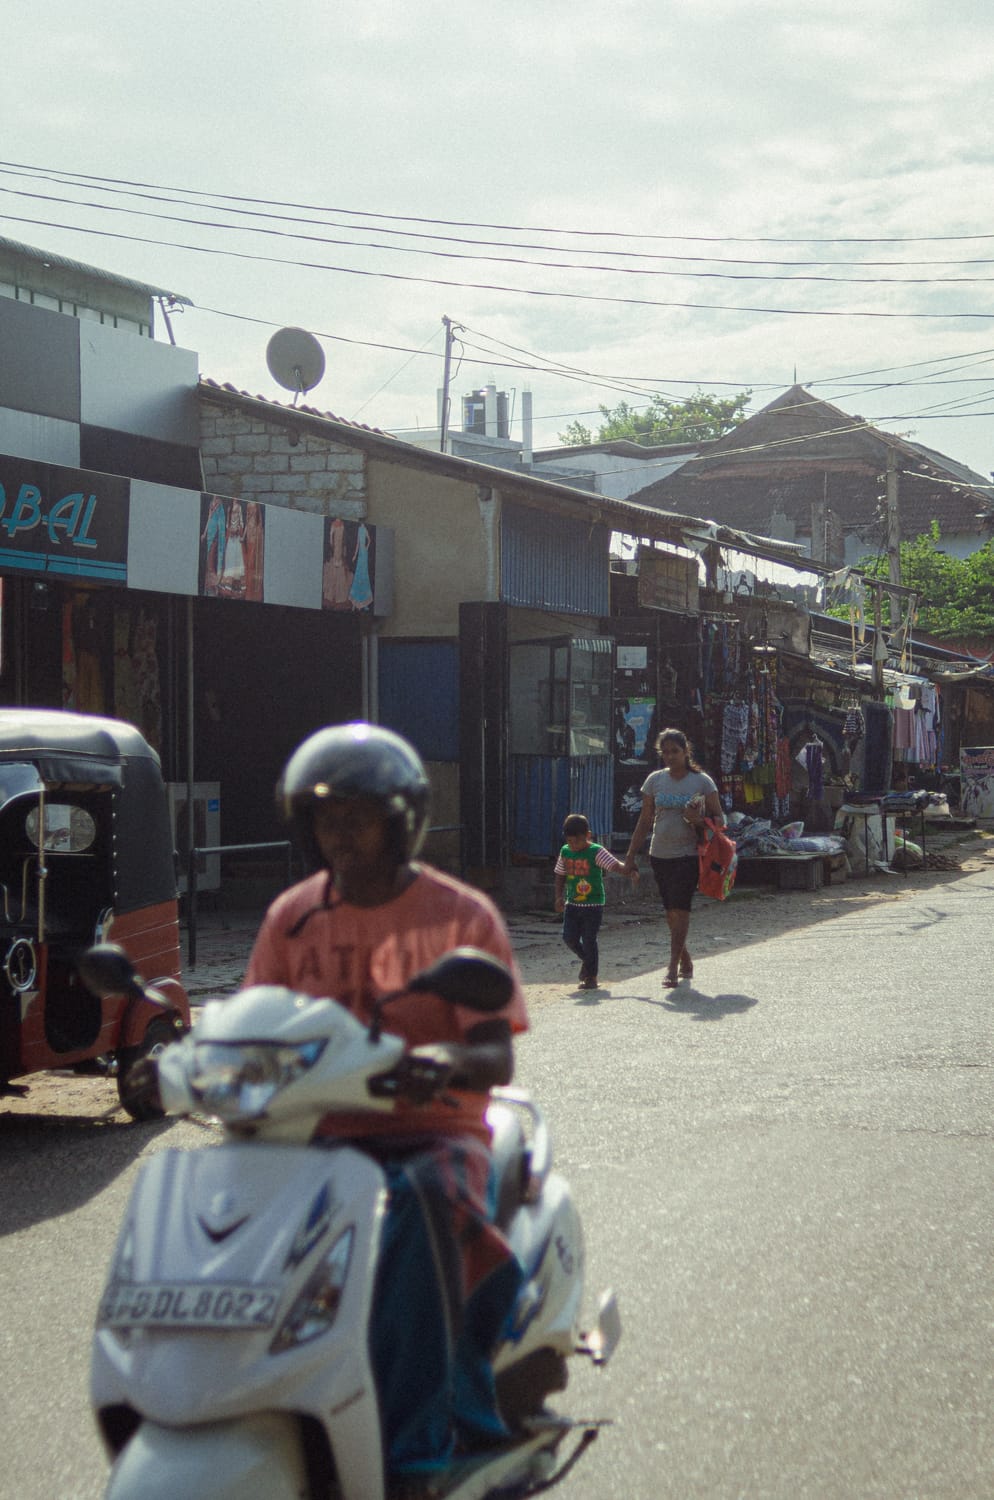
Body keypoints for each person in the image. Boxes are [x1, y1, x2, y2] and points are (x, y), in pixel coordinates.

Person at [243, 722, 529, 1499]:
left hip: (430, 1133)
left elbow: (496, 1054)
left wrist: (441, 1063)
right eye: (325, 816)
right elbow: (254, 1021)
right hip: (313, 1132)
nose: (339, 832)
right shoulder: (291, 917)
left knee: (418, 1202)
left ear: (401, 821)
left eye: (357, 816)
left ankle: (417, 1454)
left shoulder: (461, 916)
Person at [623, 727, 724, 988]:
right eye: (665, 752)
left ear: (685, 751)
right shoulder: (655, 780)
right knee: (670, 912)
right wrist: (631, 856)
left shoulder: (702, 782)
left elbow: (720, 819)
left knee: (681, 908)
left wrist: (700, 820)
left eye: (675, 751)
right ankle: (685, 957)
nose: (670, 756)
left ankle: (671, 966)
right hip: (659, 854)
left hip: (689, 855)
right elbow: (645, 821)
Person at [554, 812, 634, 989]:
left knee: (589, 939)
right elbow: (560, 874)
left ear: (588, 835)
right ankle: (587, 960)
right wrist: (558, 896)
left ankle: (591, 976)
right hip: (572, 904)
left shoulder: (595, 851)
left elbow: (614, 865)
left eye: (578, 841)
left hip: (593, 905)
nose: (573, 845)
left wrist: (629, 870)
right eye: (570, 841)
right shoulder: (565, 851)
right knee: (569, 938)